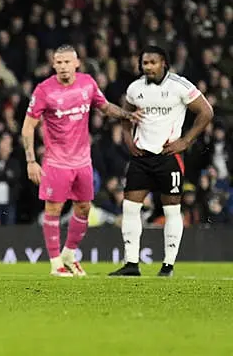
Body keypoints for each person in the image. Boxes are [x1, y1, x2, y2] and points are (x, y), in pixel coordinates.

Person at [21, 44, 142, 277]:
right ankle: (55, 262)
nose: (64, 66)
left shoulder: (87, 83)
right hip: (56, 162)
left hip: (82, 161)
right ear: (53, 64)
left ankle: (69, 254)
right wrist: (30, 160)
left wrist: (128, 115)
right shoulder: (44, 90)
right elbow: (28, 127)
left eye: (68, 62)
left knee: (84, 208)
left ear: (77, 63)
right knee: (54, 209)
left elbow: (104, 107)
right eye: (59, 62)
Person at [109, 46, 213, 277]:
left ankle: (168, 265)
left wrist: (186, 141)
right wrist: (128, 141)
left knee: (172, 210)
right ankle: (131, 264)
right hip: (141, 157)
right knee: (129, 207)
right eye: (145, 63)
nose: (148, 67)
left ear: (163, 63)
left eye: (152, 62)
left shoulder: (180, 86)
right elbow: (126, 115)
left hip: (168, 157)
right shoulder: (135, 89)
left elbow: (206, 112)